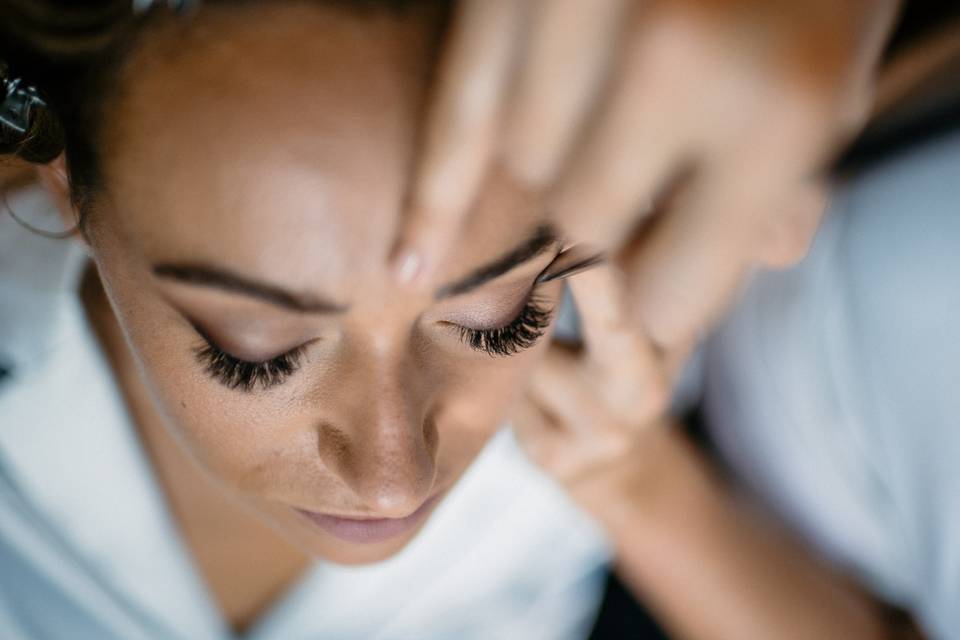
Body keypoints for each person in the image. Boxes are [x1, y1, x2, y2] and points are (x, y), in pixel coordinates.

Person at [0, 1, 932, 639]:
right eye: (261, 354)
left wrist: (631, 481)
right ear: (65, 176)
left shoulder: (611, 370)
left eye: (497, 318)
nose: (393, 477)